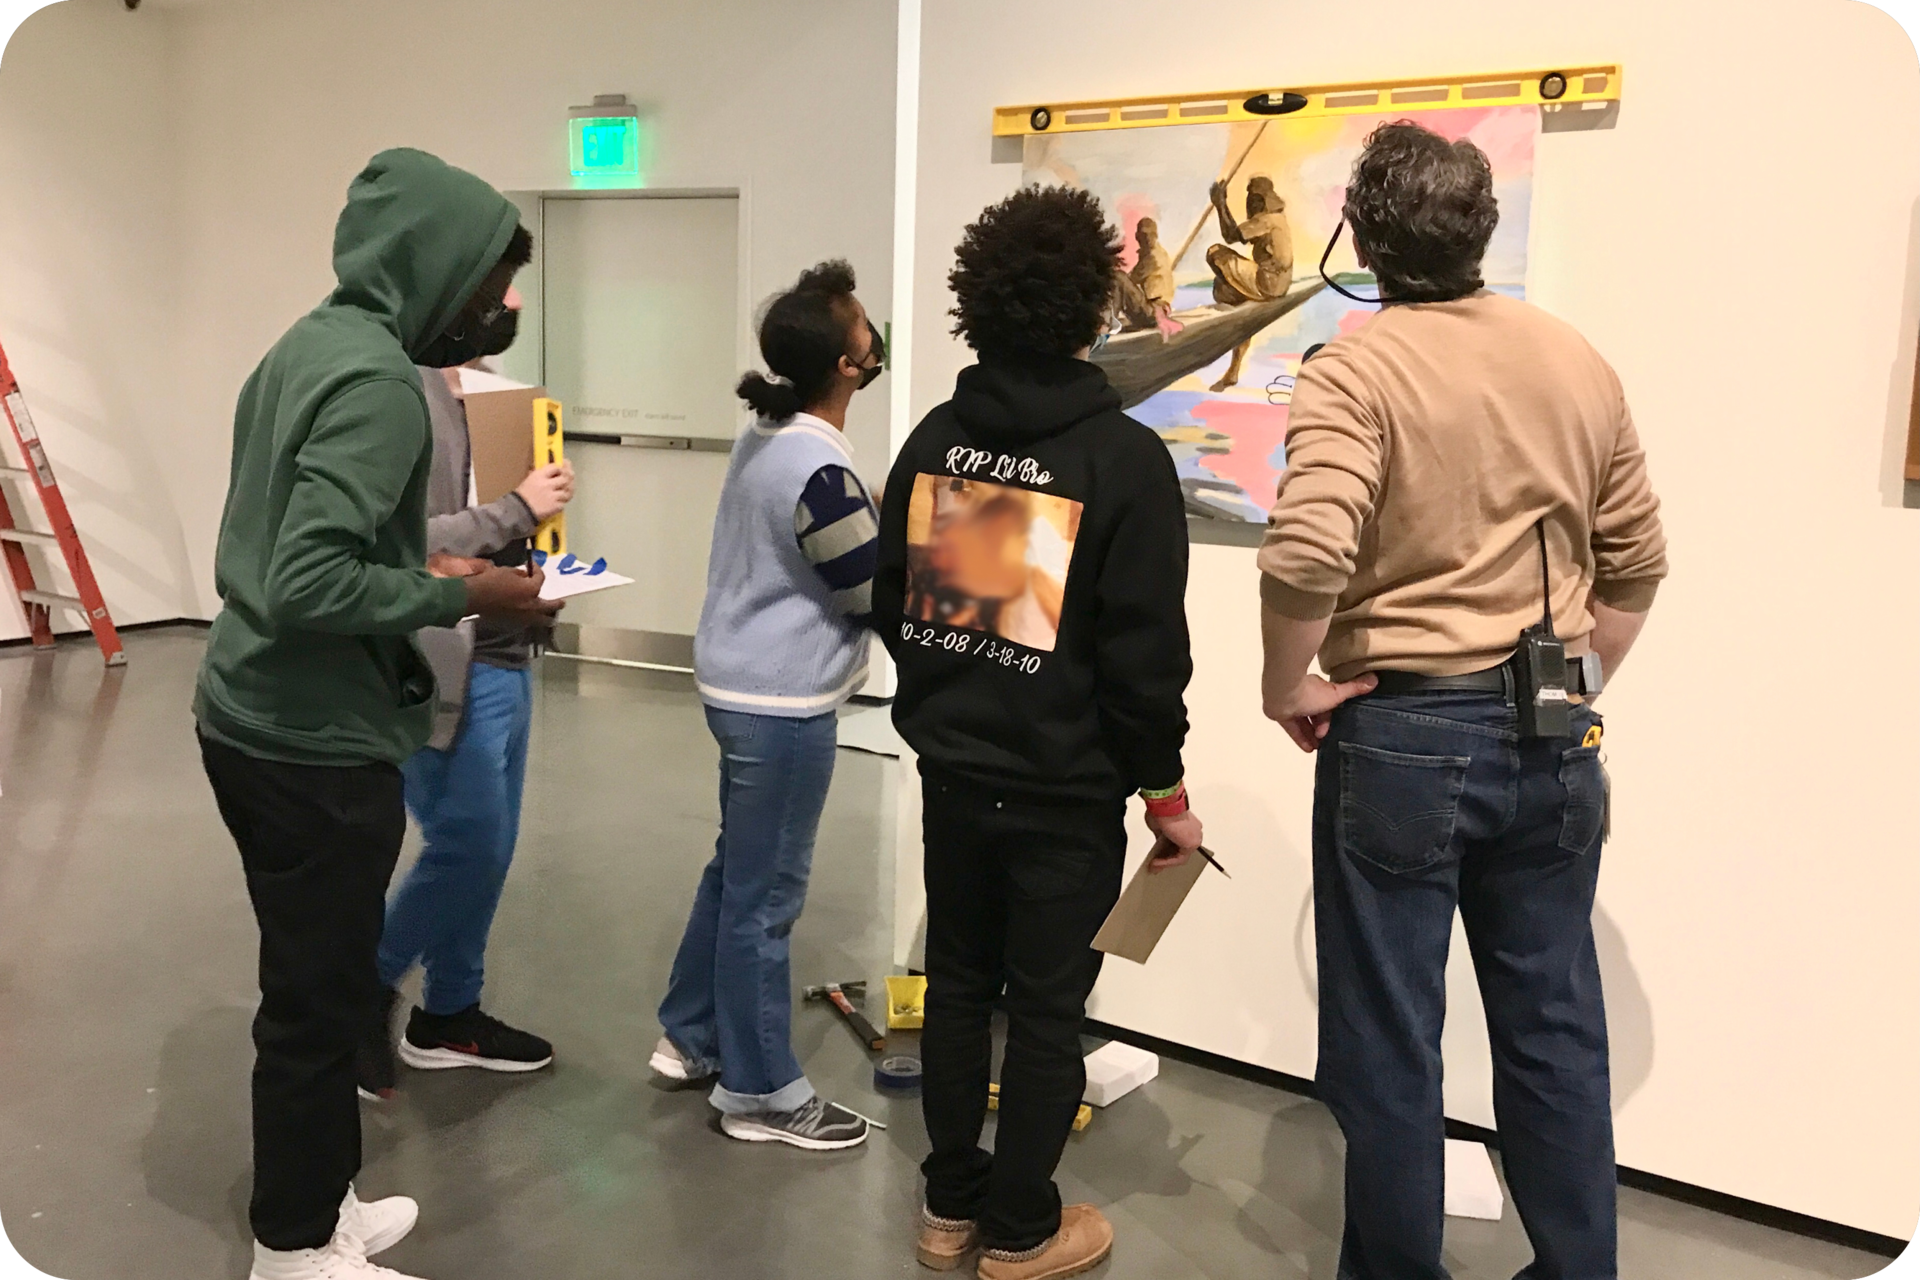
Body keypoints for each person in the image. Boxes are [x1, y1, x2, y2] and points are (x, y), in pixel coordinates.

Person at [1256, 121, 1668, 1280]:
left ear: (1365, 236)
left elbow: (1302, 555)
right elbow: (1636, 560)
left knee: (1392, 1041)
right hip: (1554, 731)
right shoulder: (1572, 357)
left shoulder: (1358, 366)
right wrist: (1579, 676)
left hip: (1403, 732)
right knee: (1553, 1024)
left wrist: (1285, 681)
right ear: (1482, 225)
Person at [194, 147, 561, 1280]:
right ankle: (296, 1247)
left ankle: (324, 1199)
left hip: (253, 710)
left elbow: (306, 544)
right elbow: (306, 579)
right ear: (435, 269)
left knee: (325, 970)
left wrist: (430, 564)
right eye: (492, 283)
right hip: (309, 738)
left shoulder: (314, 342)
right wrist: (467, 587)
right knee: (313, 999)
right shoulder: (376, 388)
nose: (503, 306)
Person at [872, 186, 1201, 1280]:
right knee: (1049, 1008)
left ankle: (949, 1211)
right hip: (1065, 794)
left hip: (956, 775)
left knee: (960, 986)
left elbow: (896, 603)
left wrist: (948, 698)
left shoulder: (932, 442)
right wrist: (1165, 792)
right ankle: (1021, 1228)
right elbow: (1144, 661)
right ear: (1090, 306)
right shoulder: (1122, 462)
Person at [649, 259, 885, 1151]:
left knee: (735, 872)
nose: (876, 339)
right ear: (847, 367)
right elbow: (867, 589)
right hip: (780, 705)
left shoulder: (769, 434)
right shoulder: (818, 469)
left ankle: (692, 1033)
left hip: (737, 684)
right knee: (767, 896)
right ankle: (760, 1093)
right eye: (866, 331)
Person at [355, 344, 576, 1100]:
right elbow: (398, 544)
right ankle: (363, 991)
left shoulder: (500, 396)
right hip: (443, 659)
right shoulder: (399, 395)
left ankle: (449, 1013)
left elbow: (514, 531)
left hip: (508, 653)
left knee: (489, 849)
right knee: (469, 844)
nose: (506, 304)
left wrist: (546, 563)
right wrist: (516, 509)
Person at [1206, 173, 1294, 390]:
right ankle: (1233, 370)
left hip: (1268, 282)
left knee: (1214, 252)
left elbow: (1230, 236)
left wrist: (1220, 204)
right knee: (1223, 288)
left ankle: (1232, 298)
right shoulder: (1278, 219)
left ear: (1262, 200)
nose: (1251, 205)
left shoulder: (1267, 219)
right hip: (1278, 282)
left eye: (1254, 201)